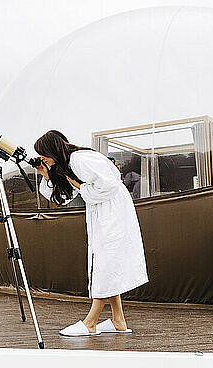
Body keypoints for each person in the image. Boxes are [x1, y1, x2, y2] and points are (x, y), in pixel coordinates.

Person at [33, 130, 149, 336]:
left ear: (53, 149)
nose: (42, 158)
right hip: (103, 211)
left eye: (43, 153)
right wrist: (46, 174)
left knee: (105, 263)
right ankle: (118, 321)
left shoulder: (79, 159)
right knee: (106, 263)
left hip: (113, 211)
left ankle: (91, 322)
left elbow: (109, 184)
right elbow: (63, 198)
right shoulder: (68, 164)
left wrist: (80, 186)